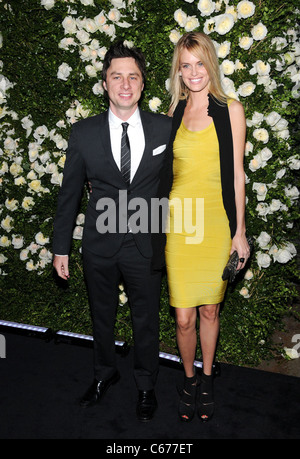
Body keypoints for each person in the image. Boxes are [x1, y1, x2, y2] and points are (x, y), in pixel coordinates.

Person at [52, 41, 172, 422]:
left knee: (146, 320)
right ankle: (104, 374)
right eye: (116, 76)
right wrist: (60, 249)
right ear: (105, 83)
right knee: (101, 317)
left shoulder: (165, 129)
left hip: (145, 244)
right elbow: (69, 194)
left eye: (132, 76)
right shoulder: (83, 133)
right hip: (100, 246)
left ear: (142, 83)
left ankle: (146, 385)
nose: (125, 84)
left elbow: (178, 186)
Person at [161, 32, 250, 422]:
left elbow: (237, 177)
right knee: (184, 315)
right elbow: (157, 174)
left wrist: (240, 233)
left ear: (209, 64)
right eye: (185, 65)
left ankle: (209, 377)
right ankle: (188, 376)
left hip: (215, 221)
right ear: (178, 71)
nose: (193, 72)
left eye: (199, 63)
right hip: (179, 224)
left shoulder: (230, 110)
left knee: (210, 309)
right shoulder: (172, 116)